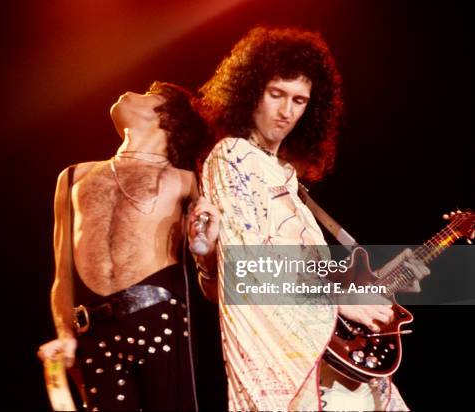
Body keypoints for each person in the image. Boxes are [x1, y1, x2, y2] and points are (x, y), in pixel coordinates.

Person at [198, 26, 430, 411]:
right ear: (250, 91)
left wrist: (377, 287)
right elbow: (247, 267)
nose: (287, 111)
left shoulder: (287, 177)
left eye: (300, 100)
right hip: (291, 363)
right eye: (276, 94)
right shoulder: (232, 157)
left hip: (328, 356)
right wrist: (335, 301)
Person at [37, 81, 220, 411]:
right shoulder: (73, 176)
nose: (129, 93)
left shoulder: (186, 179)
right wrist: (65, 335)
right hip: (94, 332)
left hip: (158, 324)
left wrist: (205, 247)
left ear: (166, 115)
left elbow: (213, 262)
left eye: (148, 94)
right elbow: (62, 274)